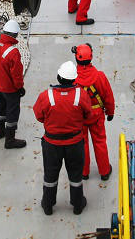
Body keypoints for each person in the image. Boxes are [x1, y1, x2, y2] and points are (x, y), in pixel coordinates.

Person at [32, 61, 94, 215]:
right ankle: (77, 204)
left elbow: (39, 115)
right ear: (74, 79)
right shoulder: (81, 95)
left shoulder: (46, 96)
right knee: (75, 175)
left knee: (50, 175)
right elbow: (89, 115)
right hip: (75, 143)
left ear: (58, 77)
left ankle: (48, 204)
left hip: (52, 144)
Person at [73, 43, 114, 181]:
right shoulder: (100, 76)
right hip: (96, 116)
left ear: (76, 58)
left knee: (82, 143)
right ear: (91, 57)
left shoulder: (73, 79)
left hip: (80, 117)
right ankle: (104, 171)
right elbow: (108, 96)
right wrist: (110, 112)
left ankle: (84, 172)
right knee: (100, 142)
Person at [0, 19, 26, 149]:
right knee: (12, 111)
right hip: (9, 88)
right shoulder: (13, 52)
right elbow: (16, 74)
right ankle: (10, 140)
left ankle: (0, 132)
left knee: (0, 106)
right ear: (15, 35)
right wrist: (19, 87)